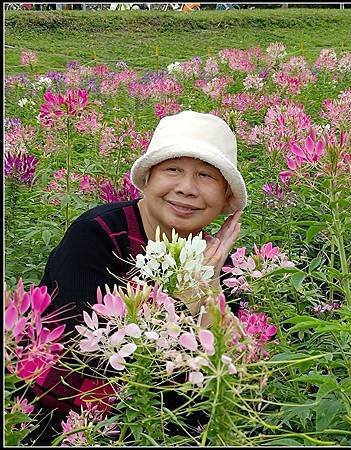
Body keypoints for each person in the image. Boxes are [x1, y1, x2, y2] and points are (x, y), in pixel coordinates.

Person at [28, 111, 247, 444]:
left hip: (167, 420)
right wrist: (188, 295)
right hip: (68, 417)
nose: (187, 189)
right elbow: (81, 354)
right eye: (172, 170)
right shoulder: (96, 234)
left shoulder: (218, 258)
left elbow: (238, 370)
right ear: (146, 180)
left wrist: (212, 285)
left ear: (226, 200)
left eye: (206, 176)